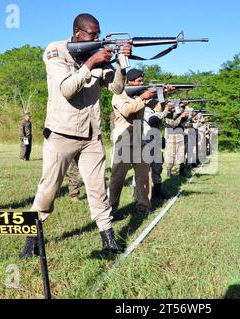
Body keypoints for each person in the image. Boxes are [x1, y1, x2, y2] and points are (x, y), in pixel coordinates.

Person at [20, 13, 131, 258]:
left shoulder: (98, 54)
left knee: (97, 190)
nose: (97, 38)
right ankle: (30, 243)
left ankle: (108, 240)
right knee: (48, 191)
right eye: (93, 35)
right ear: (78, 33)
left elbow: (117, 88)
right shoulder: (56, 50)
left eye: (99, 34)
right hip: (61, 133)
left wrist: (121, 62)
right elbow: (67, 89)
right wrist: (91, 63)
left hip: (91, 135)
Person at [109, 69, 155, 219]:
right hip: (123, 141)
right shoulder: (119, 95)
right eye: (139, 81)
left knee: (145, 176)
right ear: (130, 81)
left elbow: (157, 108)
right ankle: (111, 210)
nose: (141, 83)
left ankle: (143, 207)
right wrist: (142, 98)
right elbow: (127, 110)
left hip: (139, 140)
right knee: (117, 178)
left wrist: (164, 94)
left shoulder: (138, 95)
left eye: (142, 81)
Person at [165, 101, 189, 177]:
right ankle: (169, 170)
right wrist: (181, 116)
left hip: (180, 134)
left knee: (181, 153)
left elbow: (184, 120)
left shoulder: (178, 112)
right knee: (171, 154)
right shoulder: (167, 114)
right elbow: (173, 124)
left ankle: (182, 170)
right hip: (171, 135)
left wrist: (183, 107)